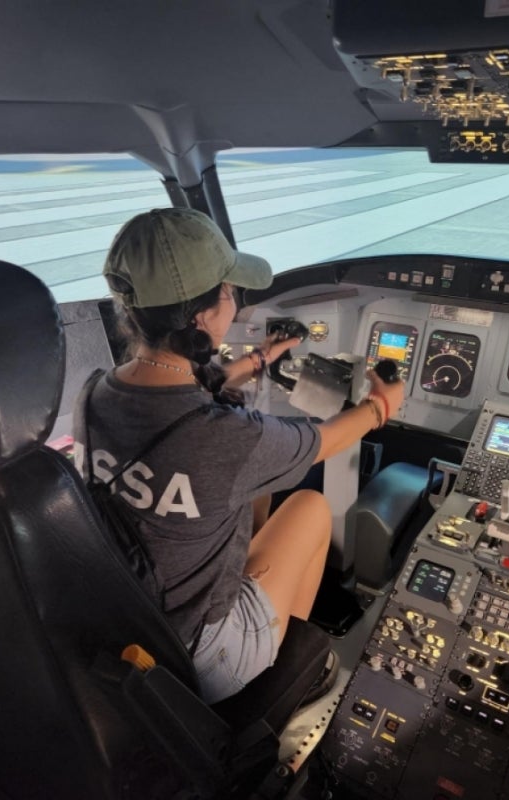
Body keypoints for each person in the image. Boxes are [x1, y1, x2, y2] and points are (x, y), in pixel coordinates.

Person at [74, 207, 404, 704]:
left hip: (136, 625)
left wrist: (260, 360)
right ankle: (290, 673)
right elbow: (327, 440)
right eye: (229, 292)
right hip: (201, 659)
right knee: (309, 508)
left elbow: (181, 399)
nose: (234, 302)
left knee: (258, 487)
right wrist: (381, 406)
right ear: (202, 316)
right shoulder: (224, 438)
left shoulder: (94, 393)